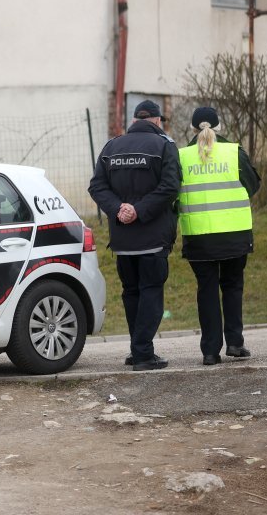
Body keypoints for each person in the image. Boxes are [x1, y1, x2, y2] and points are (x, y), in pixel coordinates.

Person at [88, 100, 181, 371]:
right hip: (153, 238)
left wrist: (119, 209)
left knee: (131, 293)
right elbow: (170, 187)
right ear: (157, 121)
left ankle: (137, 349)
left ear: (134, 119)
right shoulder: (165, 146)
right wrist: (138, 210)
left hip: (123, 240)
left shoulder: (111, 147)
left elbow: (97, 186)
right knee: (151, 292)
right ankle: (143, 354)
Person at [178, 107, 261, 366]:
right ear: (219, 127)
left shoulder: (180, 156)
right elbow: (253, 185)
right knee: (233, 286)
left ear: (193, 129)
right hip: (234, 235)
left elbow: (171, 193)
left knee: (207, 290)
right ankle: (235, 343)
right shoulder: (234, 152)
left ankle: (210, 351)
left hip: (199, 237)